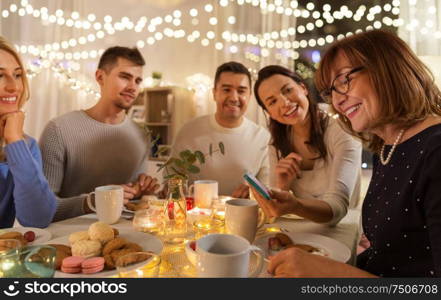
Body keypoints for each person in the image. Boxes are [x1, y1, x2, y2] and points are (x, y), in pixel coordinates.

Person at [252, 29, 441, 277]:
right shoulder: (388, 147)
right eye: (331, 91)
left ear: (388, 66)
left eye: (344, 80)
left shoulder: (435, 151)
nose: (338, 102)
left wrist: (333, 274)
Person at [39, 46, 159, 222]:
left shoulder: (141, 135)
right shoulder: (58, 130)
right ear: (100, 77)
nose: (133, 87)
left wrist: (140, 192)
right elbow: (42, 209)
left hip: (126, 235)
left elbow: (129, 199)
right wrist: (92, 201)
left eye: (138, 81)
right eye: (125, 77)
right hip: (68, 239)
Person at [253, 65, 362, 225]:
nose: (285, 102)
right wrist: (282, 186)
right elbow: (277, 210)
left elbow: (338, 208)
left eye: (288, 90)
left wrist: (295, 205)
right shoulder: (277, 143)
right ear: (269, 113)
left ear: (303, 88)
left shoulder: (341, 127)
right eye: (273, 101)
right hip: (296, 228)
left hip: (342, 227)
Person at [170, 61, 270, 197]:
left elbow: (267, 188)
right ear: (214, 93)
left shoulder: (262, 137)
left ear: (250, 96)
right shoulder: (189, 131)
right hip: (195, 215)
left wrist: (253, 193)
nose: (234, 98)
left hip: (242, 215)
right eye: (226, 89)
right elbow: (172, 178)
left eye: (241, 91)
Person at [0, 36, 56, 228]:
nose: (14, 87)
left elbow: (38, 219)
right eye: (0, 76)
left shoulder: (25, 146)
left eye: (17, 75)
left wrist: (14, 141)